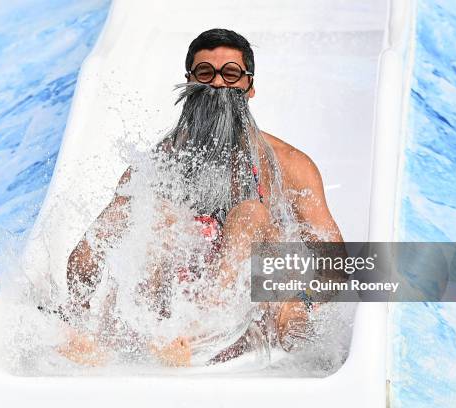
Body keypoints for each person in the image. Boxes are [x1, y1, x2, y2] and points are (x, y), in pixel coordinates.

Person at [59, 28, 343, 367]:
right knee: (150, 211)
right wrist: (79, 308)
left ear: (249, 87)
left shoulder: (288, 164)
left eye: (231, 74)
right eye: (206, 73)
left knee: (250, 215)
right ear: (189, 82)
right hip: (170, 319)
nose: (218, 84)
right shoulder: (158, 164)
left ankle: (198, 332)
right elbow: (95, 244)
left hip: (253, 320)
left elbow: (335, 266)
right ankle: (112, 336)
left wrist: (302, 304)